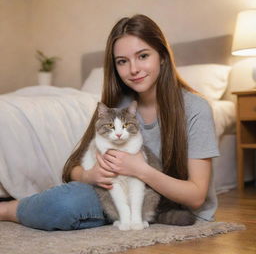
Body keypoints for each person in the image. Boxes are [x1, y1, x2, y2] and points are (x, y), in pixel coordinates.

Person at [0, 14, 219, 231]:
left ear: (162, 56)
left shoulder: (195, 109)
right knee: (64, 202)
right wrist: (88, 175)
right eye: (122, 61)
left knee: (65, 204)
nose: (133, 69)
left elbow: (196, 197)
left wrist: (140, 170)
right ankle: (8, 209)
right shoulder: (117, 108)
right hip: (115, 197)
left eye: (143, 56)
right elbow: (71, 169)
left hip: (164, 204)